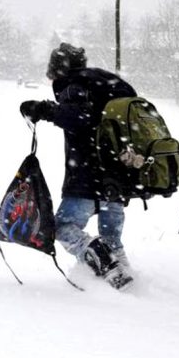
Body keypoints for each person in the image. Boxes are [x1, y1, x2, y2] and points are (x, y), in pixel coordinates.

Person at [19, 43, 136, 291]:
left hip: (88, 177)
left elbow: (82, 117)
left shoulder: (73, 86)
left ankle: (107, 267)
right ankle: (130, 286)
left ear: (56, 70)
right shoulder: (106, 84)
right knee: (112, 239)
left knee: (62, 227)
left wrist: (45, 109)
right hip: (119, 178)